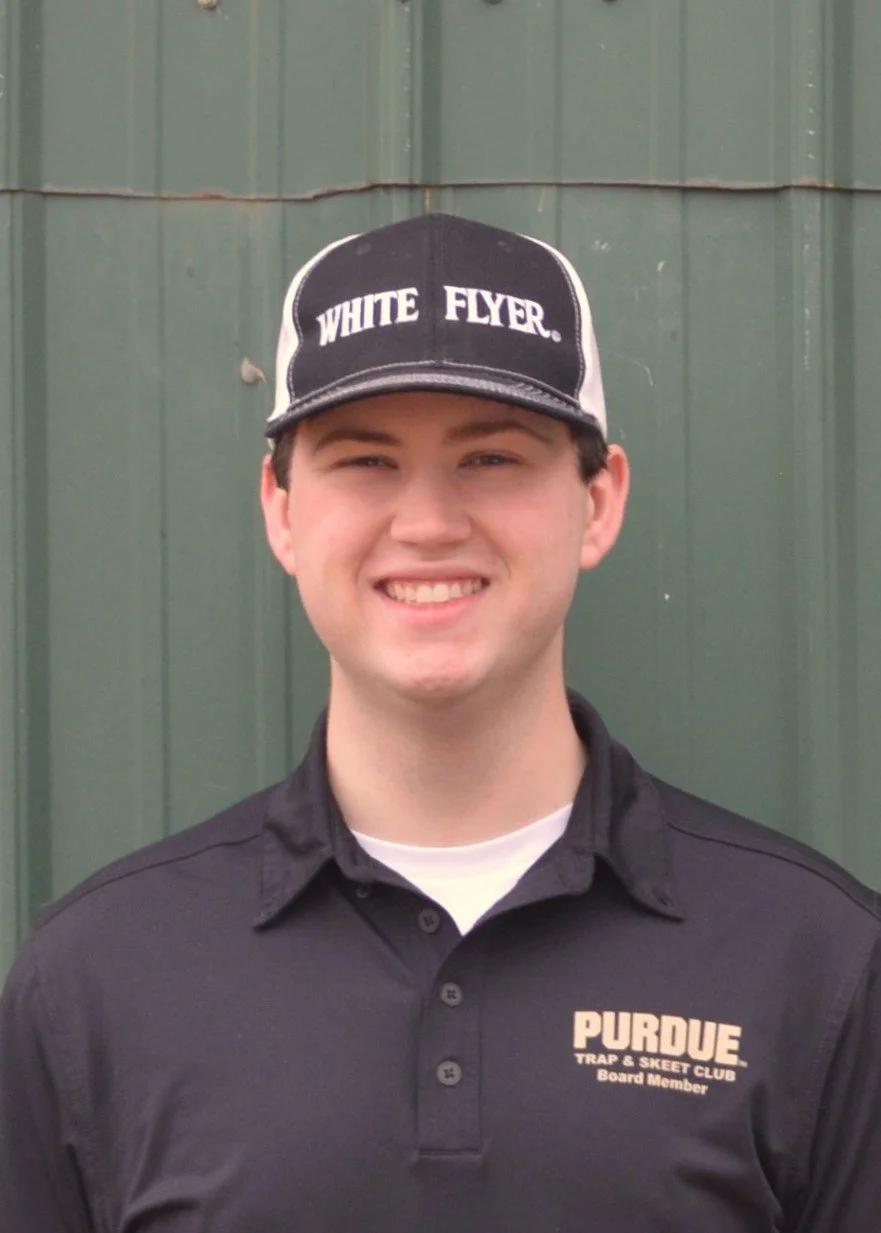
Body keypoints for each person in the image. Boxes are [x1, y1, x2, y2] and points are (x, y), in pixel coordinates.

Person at [1, 213, 879, 1233]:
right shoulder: (100, 978)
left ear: (597, 503)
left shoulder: (813, 962)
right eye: (364, 461)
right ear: (281, 510)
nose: (424, 523)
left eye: (490, 459)